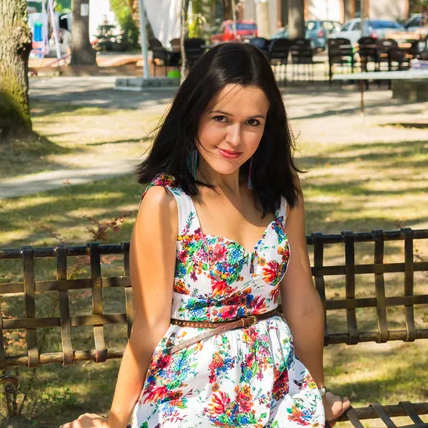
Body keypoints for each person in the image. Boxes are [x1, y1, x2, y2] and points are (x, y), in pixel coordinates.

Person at [61, 43, 351, 428]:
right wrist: (116, 420)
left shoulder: (281, 193)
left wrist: (313, 391)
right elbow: (150, 325)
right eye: (221, 118)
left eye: (253, 122)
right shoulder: (166, 203)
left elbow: (304, 306)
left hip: (274, 383)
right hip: (191, 386)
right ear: (193, 113)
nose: (235, 139)